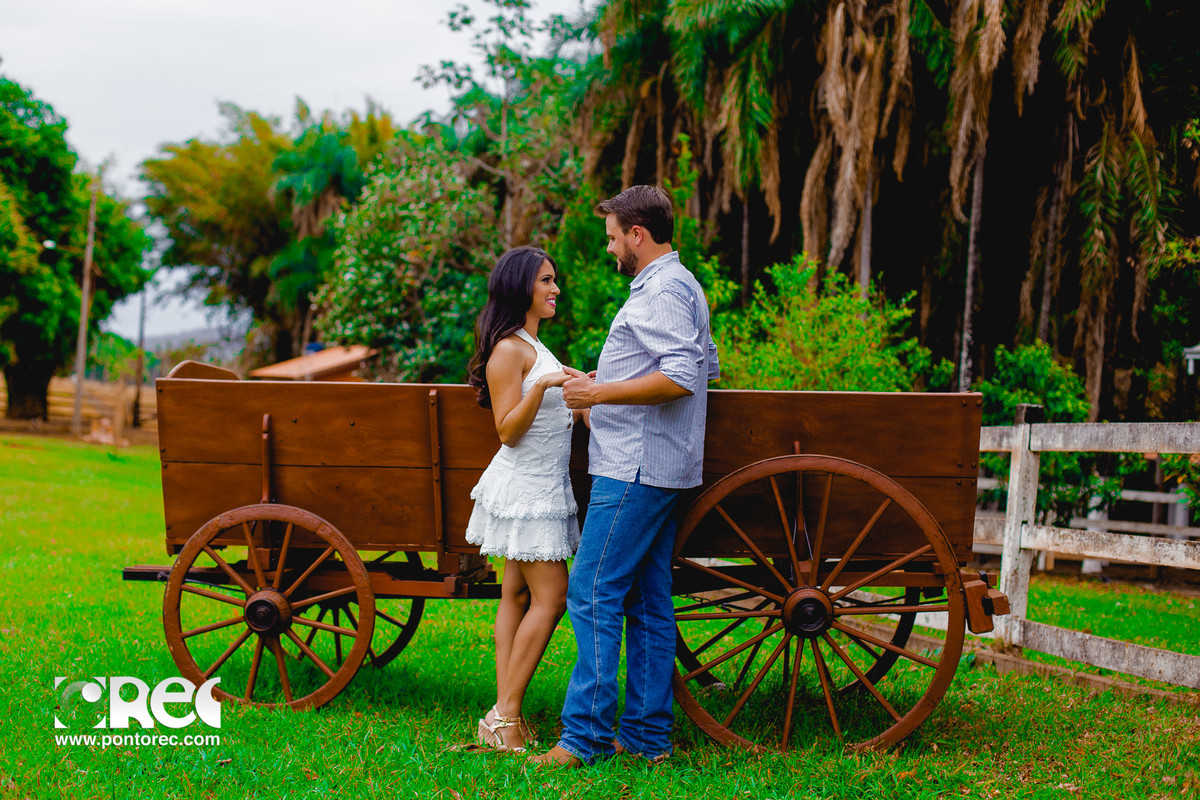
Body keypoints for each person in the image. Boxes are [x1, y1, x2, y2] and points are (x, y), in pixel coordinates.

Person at [531, 185, 720, 767]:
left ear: (638, 233)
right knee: (647, 598)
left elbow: (683, 376)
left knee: (591, 591)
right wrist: (604, 388)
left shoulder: (663, 289)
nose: (611, 248)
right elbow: (704, 365)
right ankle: (645, 737)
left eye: (614, 237)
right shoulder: (681, 284)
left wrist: (599, 393)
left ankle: (584, 737)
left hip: (635, 468)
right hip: (660, 464)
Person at [464, 245, 581, 753]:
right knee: (551, 598)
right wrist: (544, 386)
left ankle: (503, 717)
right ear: (521, 287)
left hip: (543, 485)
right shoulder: (508, 350)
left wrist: (577, 387)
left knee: (515, 595)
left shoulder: (534, 344)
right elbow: (507, 431)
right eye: (546, 281)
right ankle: (505, 715)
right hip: (526, 490)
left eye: (554, 280)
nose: (556, 289)